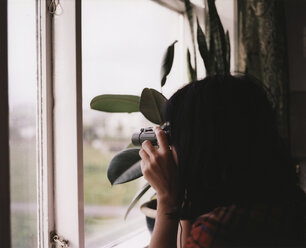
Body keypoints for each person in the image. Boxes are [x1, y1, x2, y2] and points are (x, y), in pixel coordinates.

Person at [139, 74, 305, 248]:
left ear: (203, 147)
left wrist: (166, 198)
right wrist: (186, 192)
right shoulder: (292, 201)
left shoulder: (218, 231)